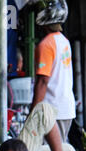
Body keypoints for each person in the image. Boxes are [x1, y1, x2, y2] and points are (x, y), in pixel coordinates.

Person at [32, 0, 75, 142]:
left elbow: (43, 81)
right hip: (65, 107)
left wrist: (34, 112)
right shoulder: (64, 41)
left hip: (52, 110)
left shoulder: (46, 44)